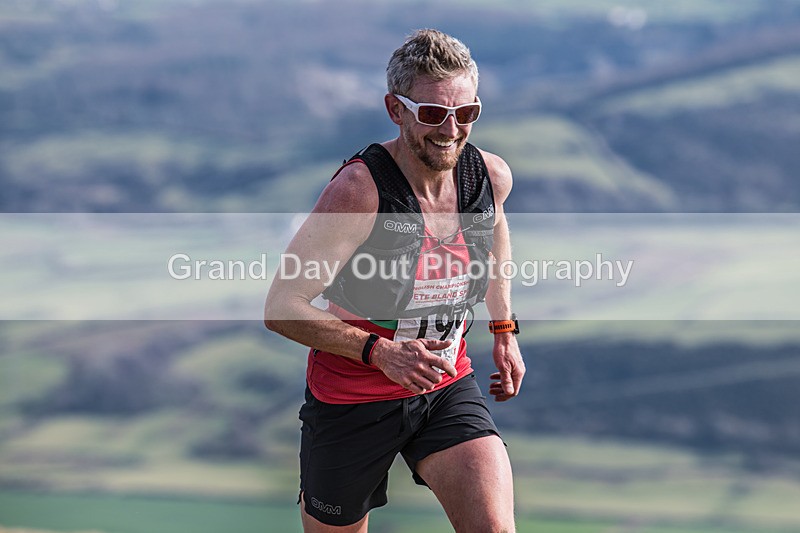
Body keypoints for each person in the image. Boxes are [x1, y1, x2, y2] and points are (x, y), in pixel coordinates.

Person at [264, 28, 525, 533]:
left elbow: (493, 242)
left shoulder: (489, 177)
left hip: (446, 385)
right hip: (352, 400)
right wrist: (381, 352)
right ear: (396, 109)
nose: (450, 129)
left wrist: (504, 331)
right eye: (432, 114)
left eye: (466, 113)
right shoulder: (358, 192)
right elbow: (282, 305)